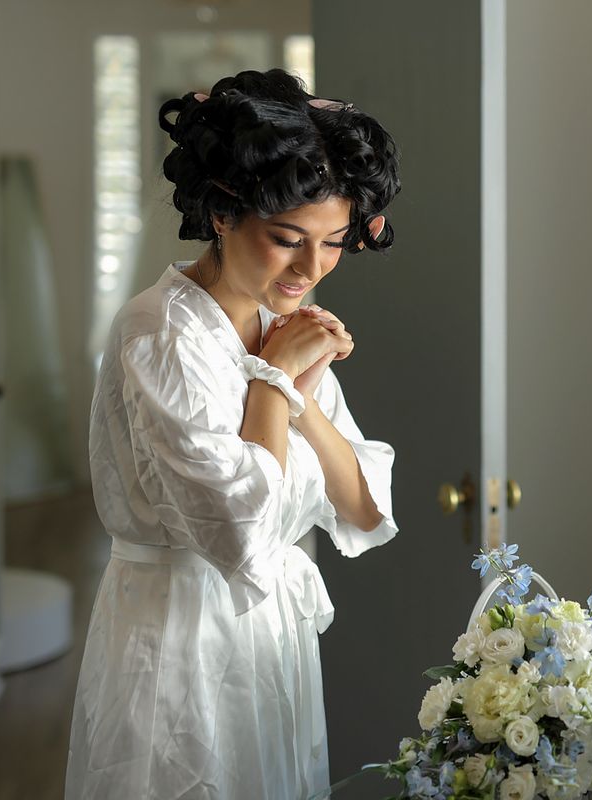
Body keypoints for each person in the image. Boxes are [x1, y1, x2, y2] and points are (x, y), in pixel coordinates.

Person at [64, 68, 402, 799]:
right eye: (287, 239)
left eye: (333, 242)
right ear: (222, 213)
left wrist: (299, 395)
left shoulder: (281, 329)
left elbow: (364, 506)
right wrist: (275, 382)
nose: (310, 268)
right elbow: (241, 531)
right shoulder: (163, 334)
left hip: (271, 642)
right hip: (180, 639)